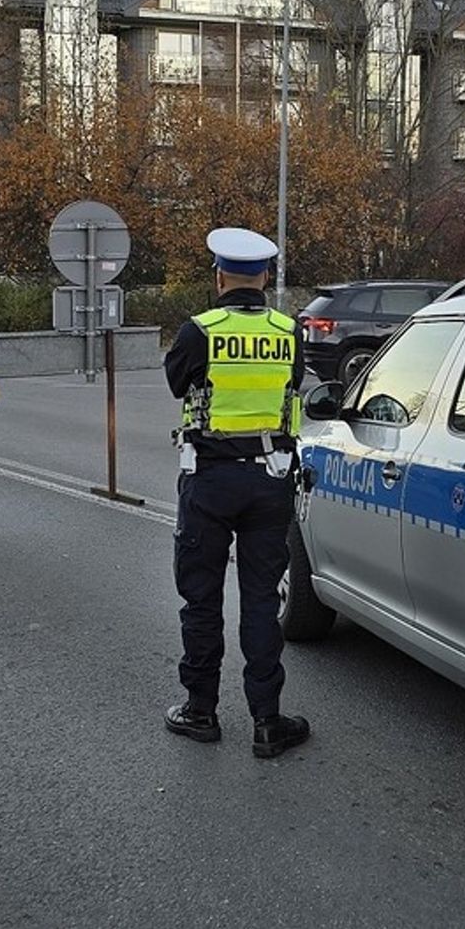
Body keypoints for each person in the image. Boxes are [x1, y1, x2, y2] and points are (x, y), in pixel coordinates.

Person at [161, 227, 310, 758]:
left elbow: (178, 385)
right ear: (265, 276)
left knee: (200, 599)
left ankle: (200, 711)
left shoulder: (198, 331)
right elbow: (293, 387)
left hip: (209, 480)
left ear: (220, 275)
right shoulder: (289, 332)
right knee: (261, 601)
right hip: (270, 480)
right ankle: (267, 722)